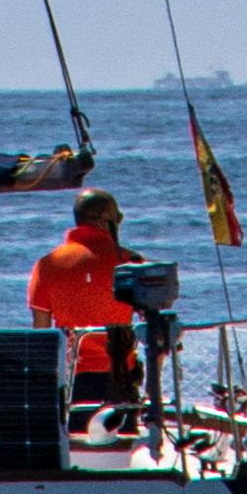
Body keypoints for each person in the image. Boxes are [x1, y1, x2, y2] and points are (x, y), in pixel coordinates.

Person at [30, 186, 144, 435]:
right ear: (106, 221)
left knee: (75, 447)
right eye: (118, 217)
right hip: (120, 377)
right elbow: (153, 326)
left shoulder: (47, 265)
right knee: (122, 447)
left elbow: (41, 335)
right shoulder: (131, 263)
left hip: (73, 380)